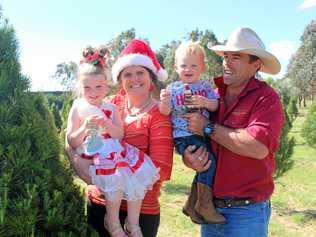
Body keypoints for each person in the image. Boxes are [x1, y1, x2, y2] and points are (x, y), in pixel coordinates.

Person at [182, 27, 285, 237]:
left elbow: (257, 147)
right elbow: (192, 135)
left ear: (255, 65)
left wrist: (208, 127)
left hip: (245, 212)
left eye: (236, 57)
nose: (227, 62)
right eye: (226, 56)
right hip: (209, 207)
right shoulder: (211, 93)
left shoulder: (266, 98)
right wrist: (188, 158)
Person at [66, 39, 173, 237]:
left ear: (151, 77)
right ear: (120, 80)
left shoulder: (158, 114)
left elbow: (162, 169)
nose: (134, 79)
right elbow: (71, 142)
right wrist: (81, 166)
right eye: (127, 74)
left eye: (140, 72)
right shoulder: (110, 103)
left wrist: (111, 179)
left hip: (140, 212)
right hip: (99, 203)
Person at [159, 41, 225, 224]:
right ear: (176, 67)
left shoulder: (205, 87)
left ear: (202, 67)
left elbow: (215, 104)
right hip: (183, 136)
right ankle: (203, 204)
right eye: (183, 65)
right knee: (208, 162)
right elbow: (165, 112)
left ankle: (193, 204)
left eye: (193, 65)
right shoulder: (173, 89)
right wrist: (164, 102)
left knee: (206, 163)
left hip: (200, 134)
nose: (188, 69)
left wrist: (204, 102)